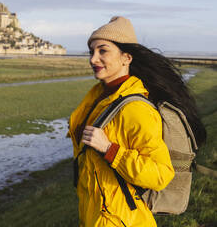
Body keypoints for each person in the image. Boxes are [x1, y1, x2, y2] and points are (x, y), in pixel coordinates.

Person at [68, 16, 206, 227]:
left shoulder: (135, 109)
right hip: (96, 216)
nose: (93, 59)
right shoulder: (100, 98)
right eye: (91, 52)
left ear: (127, 58)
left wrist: (109, 149)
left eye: (102, 51)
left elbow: (160, 174)